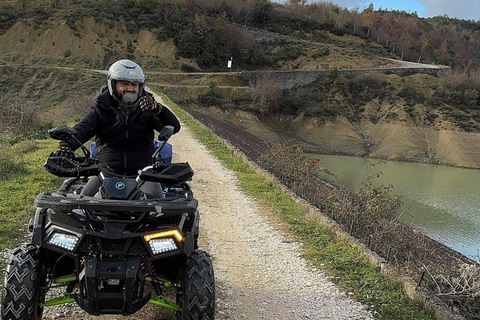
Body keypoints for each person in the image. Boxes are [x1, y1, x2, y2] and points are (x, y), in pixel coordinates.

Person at [55, 59, 180, 198]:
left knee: (156, 207)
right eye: (124, 83)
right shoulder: (101, 108)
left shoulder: (149, 108)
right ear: (113, 84)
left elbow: (174, 127)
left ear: (140, 86)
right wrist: (65, 146)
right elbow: (83, 128)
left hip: (144, 173)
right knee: (85, 202)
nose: (130, 88)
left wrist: (158, 109)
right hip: (105, 172)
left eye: (134, 84)